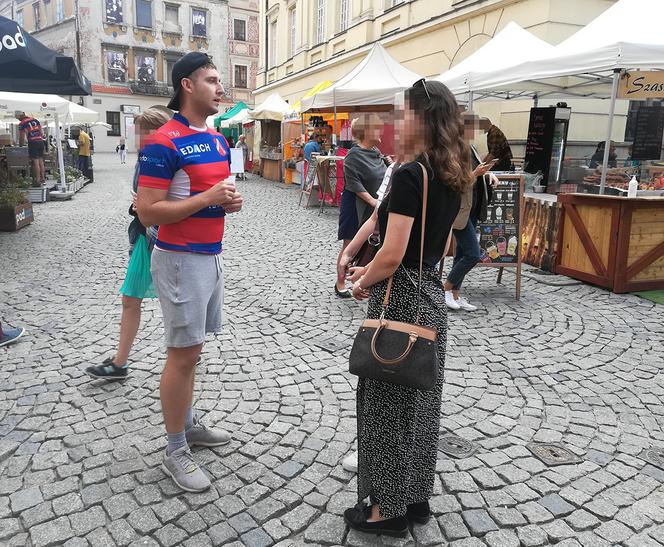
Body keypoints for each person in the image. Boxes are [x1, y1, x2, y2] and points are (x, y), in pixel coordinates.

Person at [342, 79, 473, 536]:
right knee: (419, 402)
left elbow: (393, 253)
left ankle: (385, 512)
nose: (397, 122)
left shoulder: (410, 173)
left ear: (420, 117)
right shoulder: (453, 171)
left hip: (400, 295)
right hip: (430, 297)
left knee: (386, 402)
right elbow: (446, 243)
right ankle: (414, 499)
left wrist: (362, 277)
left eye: (402, 114)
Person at [136, 52, 243, 493]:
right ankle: (175, 448)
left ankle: (189, 422)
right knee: (182, 354)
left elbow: (212, 196)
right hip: (179, 259)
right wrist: (207, 199)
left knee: (193, 351)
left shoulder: (217, 140)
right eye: (212, 81)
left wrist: (227, 202)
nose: (221, 89)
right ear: (187, 85)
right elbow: (147, 213)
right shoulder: (163, 141)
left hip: (210, 254)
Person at [85, 107, 172, 380]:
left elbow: (177, 202)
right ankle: (120, 362)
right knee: (130, 299)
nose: (135, 138)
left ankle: (186, 354)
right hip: (144, 237)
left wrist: (145, 207)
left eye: (140, 132)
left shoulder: (167, 158)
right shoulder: (144, 159)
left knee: (174, 303)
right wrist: (139, 208)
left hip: (165, 240)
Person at [444, 115, 498, 311]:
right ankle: (445, 289)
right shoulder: (451, 151)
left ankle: (454, 295)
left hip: (473, 208)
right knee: (473, 254)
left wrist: (489, 174)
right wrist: (476, 174)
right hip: (459, 209)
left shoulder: (470, 148)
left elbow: (476, 170)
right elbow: (453, 182)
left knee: (462, 254)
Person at [335, 114, 387, 298]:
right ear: (366, 132)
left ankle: (362, 280)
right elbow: (354, 183)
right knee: (350, 244)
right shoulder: (353, 155)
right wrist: (374, 202)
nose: (381, 131)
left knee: (371, 244)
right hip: (355, 205)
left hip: (375, 206)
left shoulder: (376, 153)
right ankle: (341, 282)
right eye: (376, 128)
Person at [16, 111, 46, 184]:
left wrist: (20, 145)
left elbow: (21, 137)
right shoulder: (35, 120)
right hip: (40, 141)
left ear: (20, 116)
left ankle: (37, 180)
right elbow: (41, 132)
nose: (18, 120)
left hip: (33, 142)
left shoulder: (22, 123)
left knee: (35, 162)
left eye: (17, 118)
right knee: (41, 161)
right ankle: (43, 178)